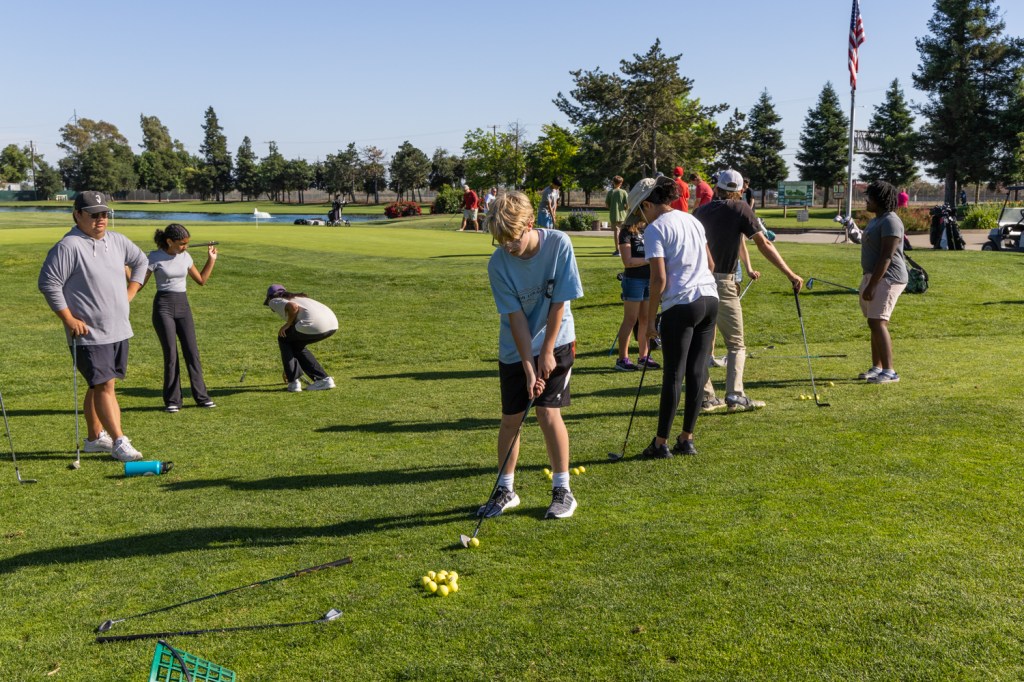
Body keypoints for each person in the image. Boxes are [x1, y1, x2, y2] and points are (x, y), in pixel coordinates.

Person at [481, 190, 583, 519]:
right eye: (501, 242)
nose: (508, 247)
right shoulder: (498, 263)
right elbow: (516, 320)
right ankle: (505, 490)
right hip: (515, 346)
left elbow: (559, 303)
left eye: (512, 239)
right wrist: (528, 365)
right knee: (512, 419)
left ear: (529, 223)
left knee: (547, 413)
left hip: (559, 339)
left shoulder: (558, 244)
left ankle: (562, 490)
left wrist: (547, 352)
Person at [38, 191, 148, 462]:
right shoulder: (69, 246)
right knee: (104, 386)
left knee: (99, 385)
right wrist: (69, 319)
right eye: (93, 214)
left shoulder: (118, 240)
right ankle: (119, 441)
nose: (101, 220)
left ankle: (94, 438)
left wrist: (130, 292)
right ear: (77, 215)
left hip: (118, 328)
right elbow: (48, 283)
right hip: (88, 332)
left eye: (104, 214)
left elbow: (142, 262)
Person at [694, 169, 803, 412]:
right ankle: (735, 395)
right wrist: (790, 273)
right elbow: (763, 243)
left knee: (700, 343)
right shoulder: (741, 208)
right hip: (722, 283)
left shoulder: (700, 211)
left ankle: (706, 397)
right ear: (740, 190)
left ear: (718, 187)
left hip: (698, 282)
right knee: (735, 344)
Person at [627, 177, 718, 458]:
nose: (641, 217)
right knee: (697, 372)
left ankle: (660, 443)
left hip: (681, 304)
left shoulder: (655, 229)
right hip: (709, 299)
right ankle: (686, 438)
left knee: (673, 374)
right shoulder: (691, 220)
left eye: (641, 211)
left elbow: (659, 279)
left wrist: (650, 320)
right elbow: (711, 264)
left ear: (647, 204)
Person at [143, 224, 218, 413]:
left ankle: (202, 397)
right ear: (169, 241)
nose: (185, 246)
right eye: (182, 244)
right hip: (163, 307)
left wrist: (212, 260)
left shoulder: (185, 256)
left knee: (192, 353)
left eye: (187, 243)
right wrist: (125, 268)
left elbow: (201, 280)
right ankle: (172, 400)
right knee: (171, 355)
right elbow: (138, 283)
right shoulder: (154, 257)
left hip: (183, 306)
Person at [858, 180, 908, 384]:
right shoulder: (876, 220)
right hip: (874, 276)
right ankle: (876, 367)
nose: (866, 201)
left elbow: (886, 257)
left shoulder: (891, 221)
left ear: (880, 200)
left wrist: (872, 285)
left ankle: (890, 371)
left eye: (869, 197)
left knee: (878, 321)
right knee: (873, 322)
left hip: (889, 277)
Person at [264, 285, 338, 392]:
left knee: (283, 337)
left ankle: (294, 383)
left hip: (314, 325)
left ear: (270, 297)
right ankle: (323, 380)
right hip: (333, 325)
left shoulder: (275, 300)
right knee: (295, 346)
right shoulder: (300, 298)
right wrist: (289, 366)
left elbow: (293, 307)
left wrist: (287, 324)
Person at [614, 215, 658, 372]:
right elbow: (628, 262)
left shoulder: (649, 229)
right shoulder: (626, 232)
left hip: (649, 279)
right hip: (634, 280)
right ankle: (622, 359)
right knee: (631, 319)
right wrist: (650, 259)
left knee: (645, 319)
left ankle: (643, 356)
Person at [605, 175, 629, 255]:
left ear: (613, 182)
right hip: (623, 215)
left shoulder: (610, 192)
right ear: (621, 183)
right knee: (624, 233)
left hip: (614, 215)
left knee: (616, 233)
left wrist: (612, 207)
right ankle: (626, 250)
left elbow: (607, 205)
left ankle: (617, 250)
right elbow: (627, 204)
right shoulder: (624, 192)